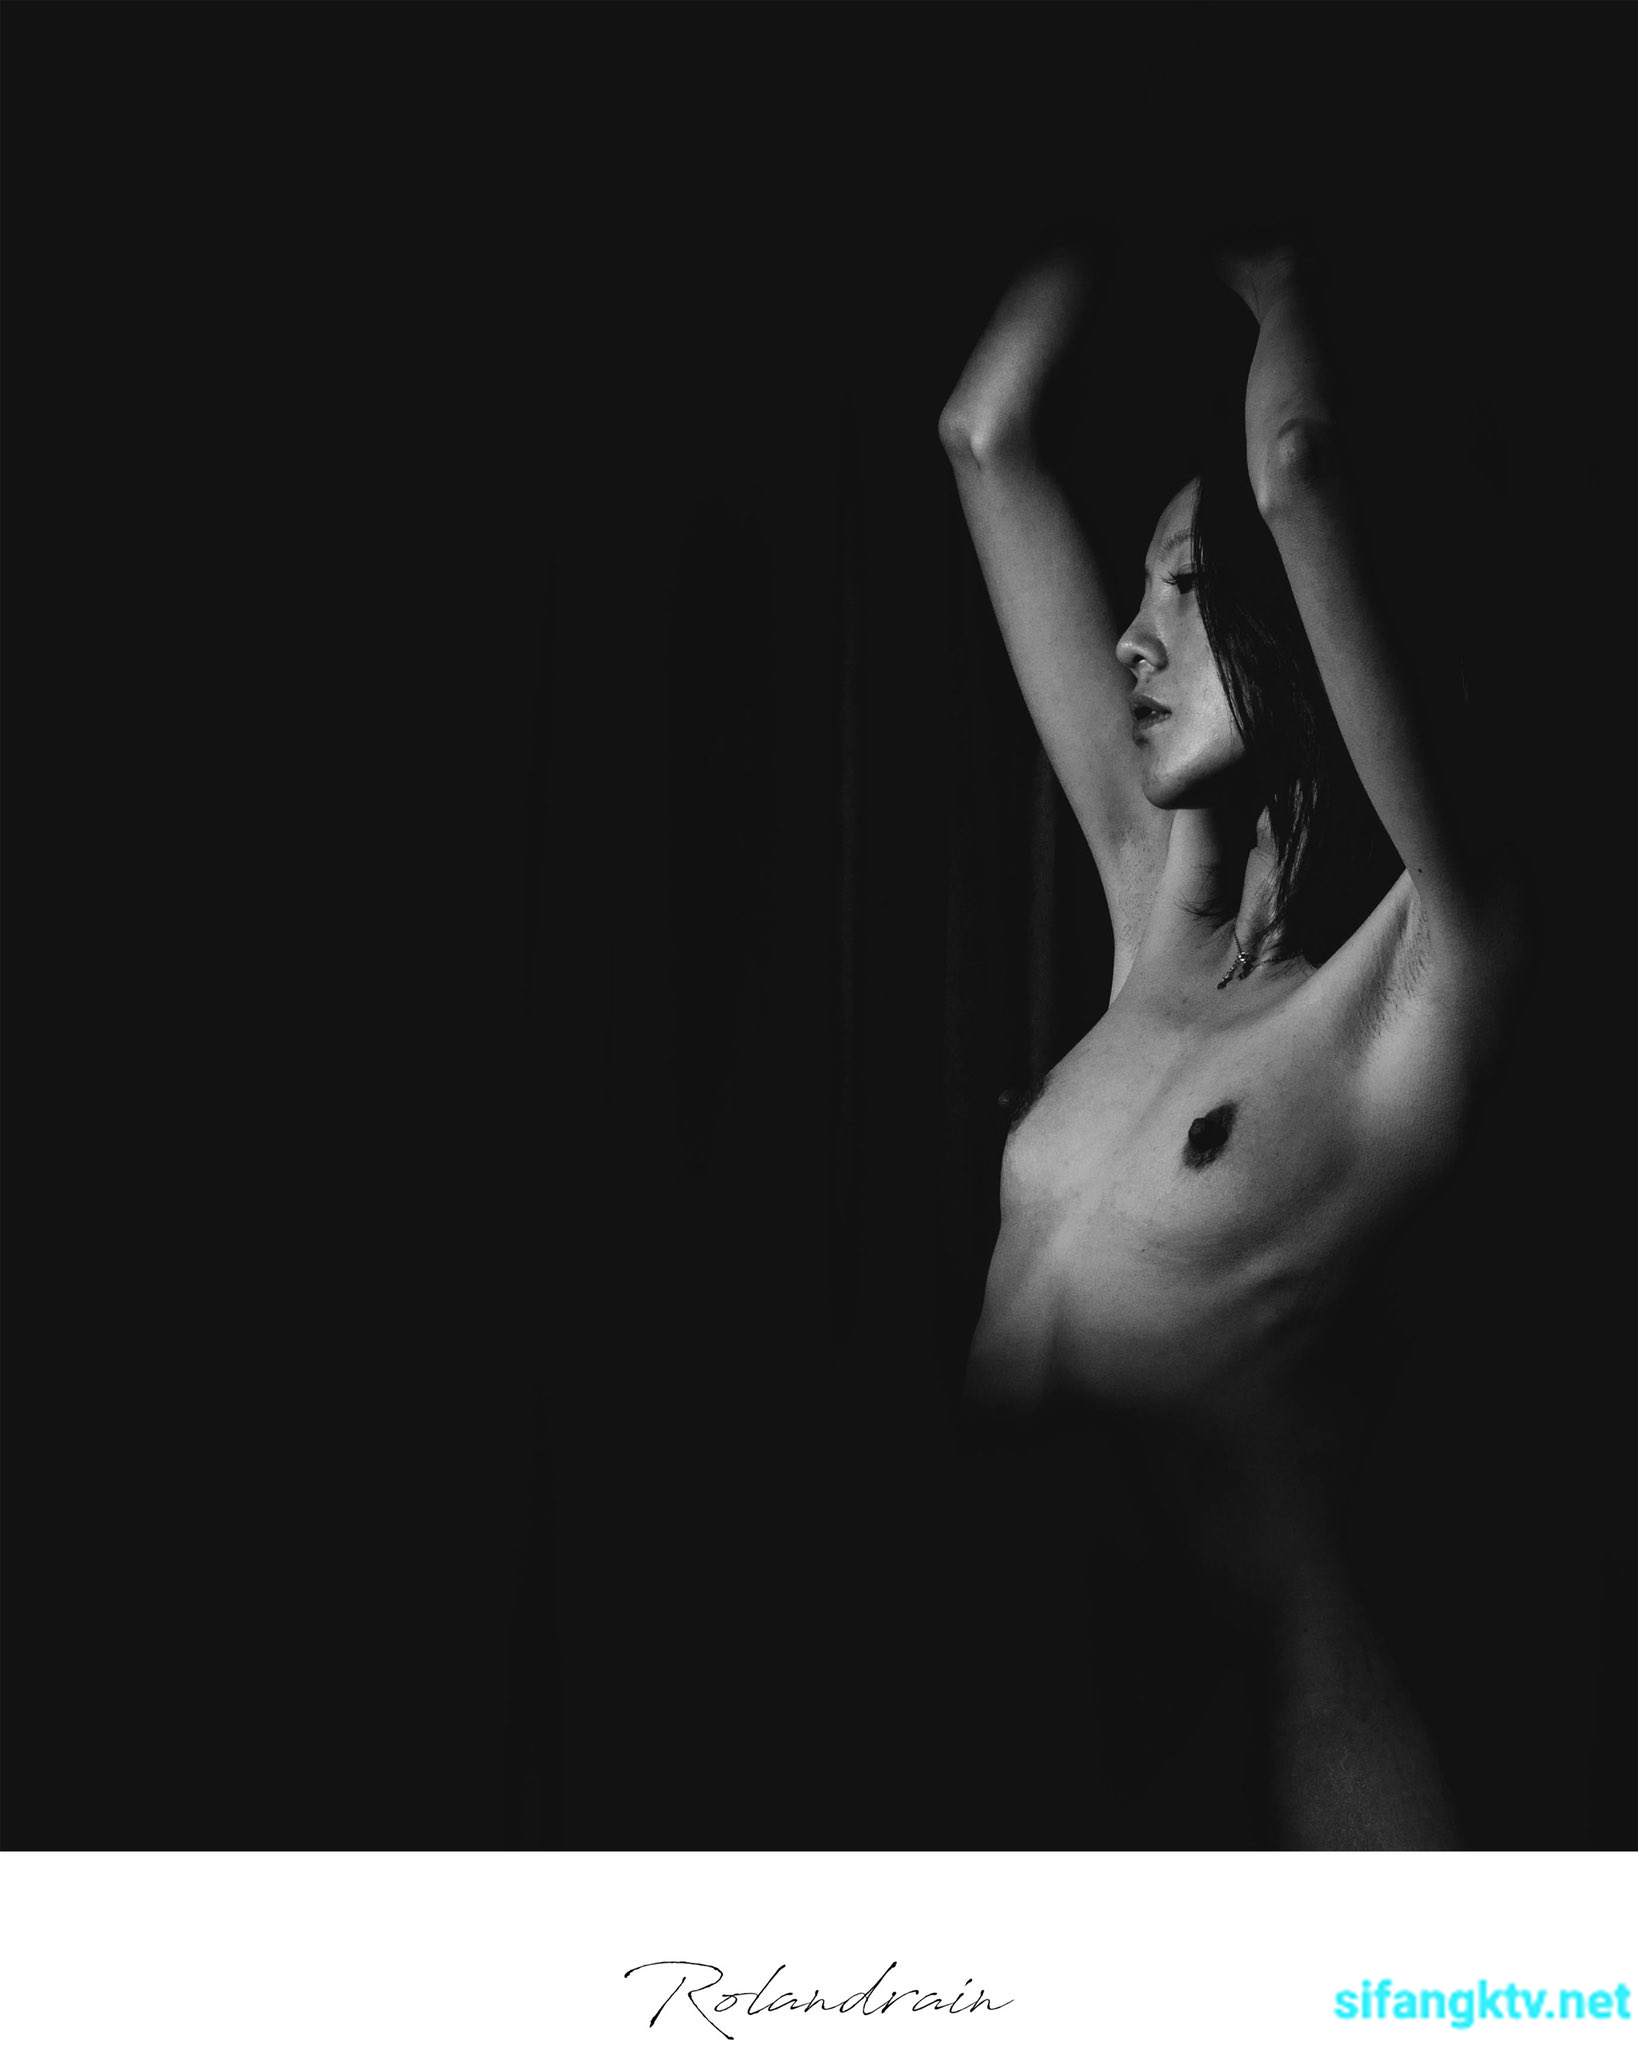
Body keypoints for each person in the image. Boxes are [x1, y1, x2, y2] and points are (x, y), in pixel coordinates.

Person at [937, 239, 1526, 1848]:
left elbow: (1302, 466)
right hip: (1017, 1777)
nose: (1130, 639)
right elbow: (983, 436)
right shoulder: (1156, 936)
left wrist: (1287, 279)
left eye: (1185, 593)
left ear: (1301, 618)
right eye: (1138, 590)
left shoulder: (1424, 977)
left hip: (1297, 1832)